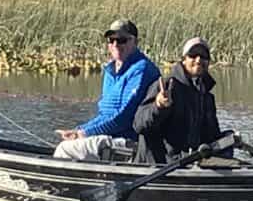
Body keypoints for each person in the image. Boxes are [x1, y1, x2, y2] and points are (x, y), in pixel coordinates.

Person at [53, 19, 160, 161]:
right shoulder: (110, 71)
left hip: (131, 142)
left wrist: (83, 133)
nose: (116, 44)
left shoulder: (142, 69)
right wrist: (79, 130)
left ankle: (59, 183)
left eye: (122, 40)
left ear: (135, 42)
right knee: (69, 143)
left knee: (64, 149)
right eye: (112, 40)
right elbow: (105, 115)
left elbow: (123, 117)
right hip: (110, 138)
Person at [133, 36, 226, 164]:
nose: (198, 60)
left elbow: (211, 136)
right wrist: (158, 106)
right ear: (183, 60)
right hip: (162, 165)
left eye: (203, 56)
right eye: (193, 55)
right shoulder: (166, 85)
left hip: (191, 161)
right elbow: (139, 124)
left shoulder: (207, 97)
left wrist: (228, 139)